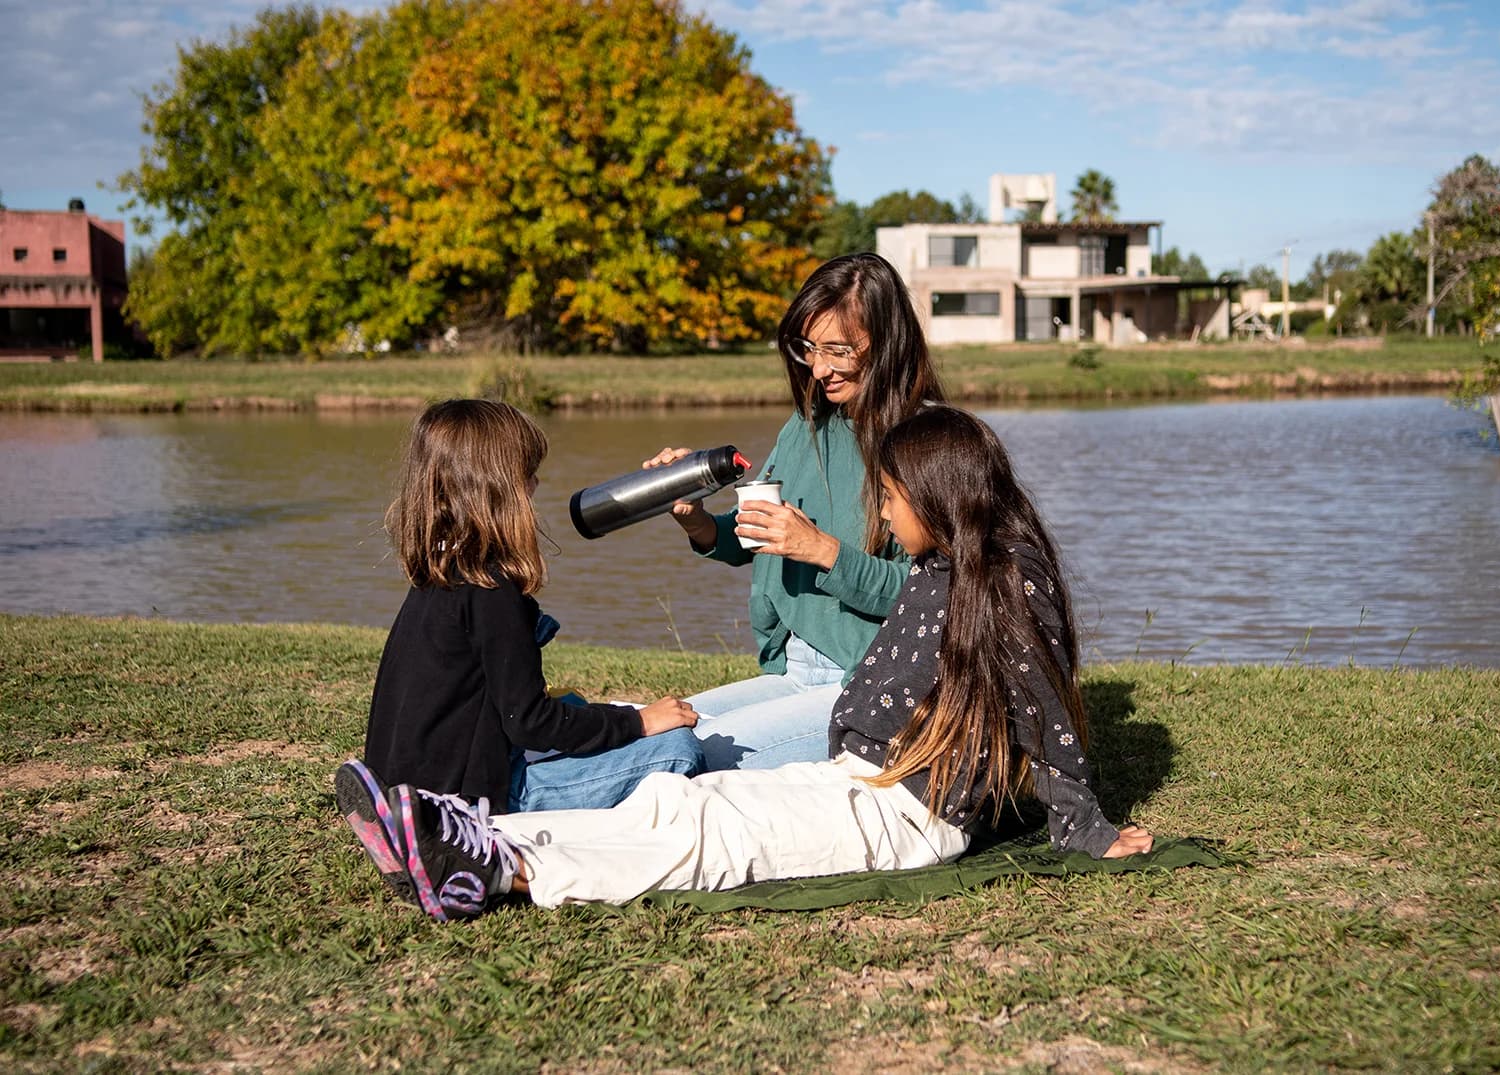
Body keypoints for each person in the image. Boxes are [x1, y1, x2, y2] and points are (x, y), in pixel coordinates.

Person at [337, 405, 1153, 920]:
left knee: (707, 833)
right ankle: (459, 835)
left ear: (944, 499)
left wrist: (1082, 823)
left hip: (900, 815)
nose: (881, 509)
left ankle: (498, 864)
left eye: (893, 497)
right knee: (675, 797)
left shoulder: (1007, 579)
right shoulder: (947, 567)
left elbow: (1044, 710)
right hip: (855, 780)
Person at [339, 400, 702, 897]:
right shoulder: (493, 591)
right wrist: (637, 723)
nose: (535, 487)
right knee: (677, 749)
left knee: (584, 710)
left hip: (408, 777)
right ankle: (445, 833)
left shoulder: (441, 571)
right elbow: (529, 722)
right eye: (527, 475)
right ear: (497, 489)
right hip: (480, 794)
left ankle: (401, 818)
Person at [642, 252, 946, 770]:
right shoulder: (806, 425)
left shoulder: (929, 442)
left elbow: (947, 600)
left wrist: (825, 552)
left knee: (682, 757)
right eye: (809, 349)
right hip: (792, 667)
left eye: (838, 350)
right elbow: (759, 538)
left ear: (886, 343)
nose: (819, 369)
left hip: (868, 679)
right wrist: (696, 521)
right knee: (656, 736)